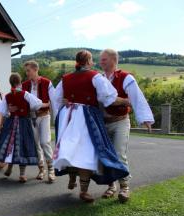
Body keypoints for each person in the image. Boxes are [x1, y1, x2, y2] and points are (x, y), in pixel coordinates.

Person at [50, 50, 129, 203]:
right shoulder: (95, 77)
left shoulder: (65, 79)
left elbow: (56, 97)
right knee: (85, 151)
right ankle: (83, 190)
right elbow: (108, 97)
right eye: (92, 60)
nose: (94, 63)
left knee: (69, 149)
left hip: (69, 116)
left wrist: (65, 103)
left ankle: (72, 179)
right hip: (87, 117)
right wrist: (126, 101)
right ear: (88, 61)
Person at [99, 48, 155, 202]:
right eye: (100, 59)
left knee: (118, 153)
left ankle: (124, 187)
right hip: (103, 123)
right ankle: (111, 186)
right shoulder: (99, 78)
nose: (100, 62)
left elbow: (137, 98)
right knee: (106, 155)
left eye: (103, 59)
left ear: (113, 60)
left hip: (120, 122)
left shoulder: (125, 77)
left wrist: (145, 119)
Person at [0, 73, 42, 183]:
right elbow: (38, 104)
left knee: (11, 146)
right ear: (20, 82)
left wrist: (7, 114)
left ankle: (10, 168)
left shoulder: (8, 96)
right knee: (22, 146)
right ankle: (22, 174)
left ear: (10, 83)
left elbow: (2, 110)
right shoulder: (25, 94)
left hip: (11, 123)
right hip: (24, 122)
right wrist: (28, 107)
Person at [22, 61, 56, 183]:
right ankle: (41, 169)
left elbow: (54, 100)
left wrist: (47, 106)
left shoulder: (47, 83)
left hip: (44, 116)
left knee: (45, 142)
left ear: (35, 70)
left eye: (28, 71)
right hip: (30, 117)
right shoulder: (25, 85)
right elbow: (22, 101)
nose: (27, 73)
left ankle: (51, 169)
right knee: (36, 144)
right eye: (26, 71)